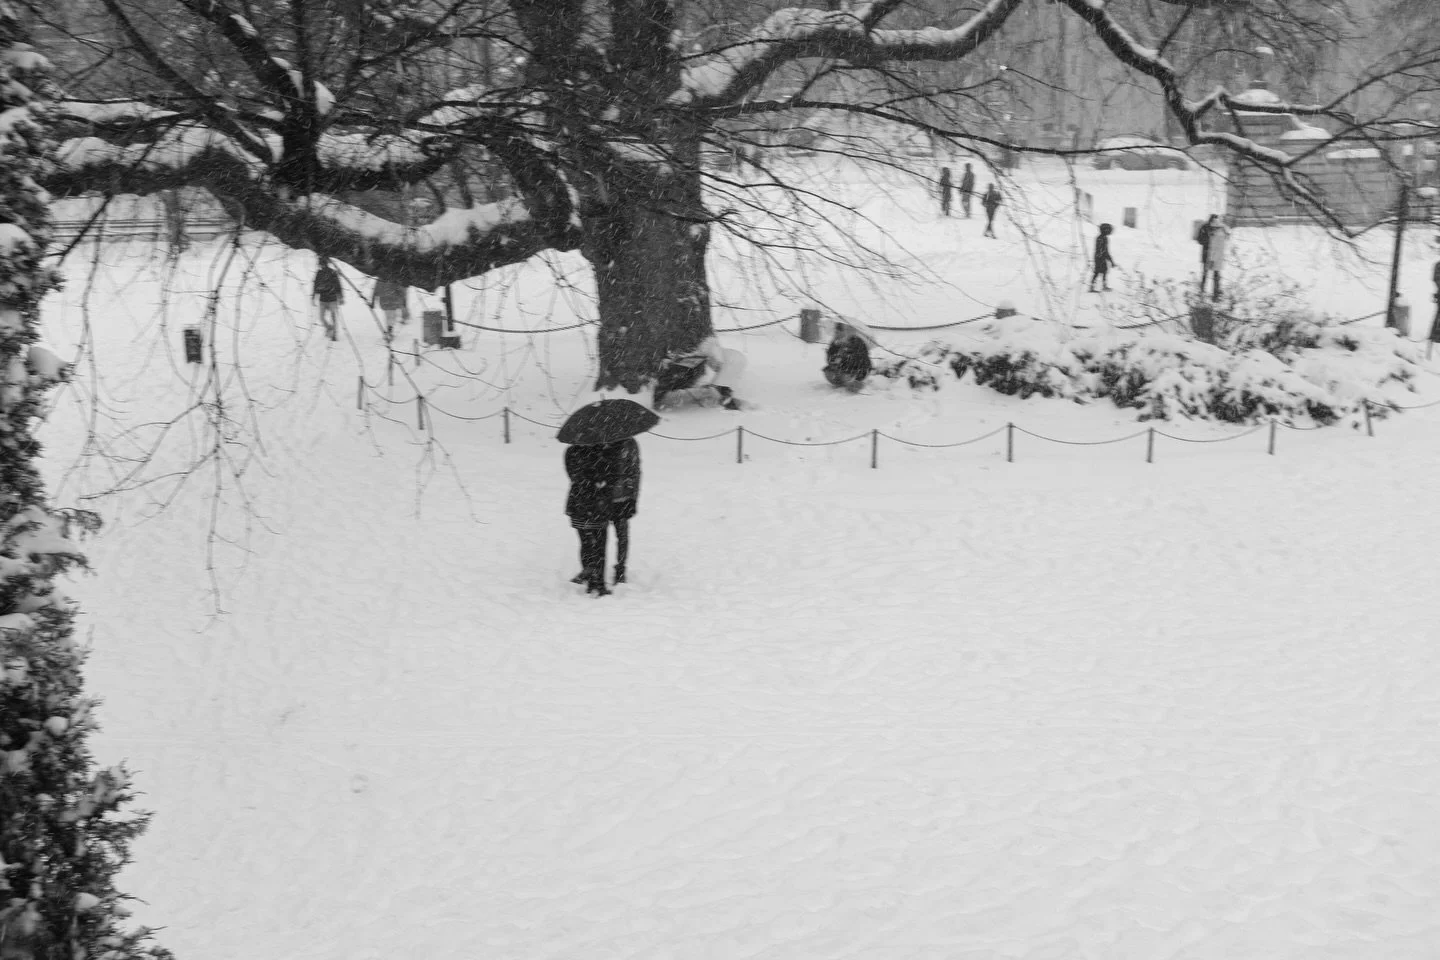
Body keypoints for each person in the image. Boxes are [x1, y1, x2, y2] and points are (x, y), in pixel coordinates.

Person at [565, 438, 641, 596]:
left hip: (614, 500)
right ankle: (594, 577)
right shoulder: (596, 448)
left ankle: (616, 571)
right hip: (598, 502)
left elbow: (633, 472)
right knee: (596, 543)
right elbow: (605, 474)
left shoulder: (627, 445)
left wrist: (632, 497)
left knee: (611, 538)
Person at [653, 335, 742, 410]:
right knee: (709, 392)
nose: (716, 365)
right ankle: (724, 403)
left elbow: (685, 381)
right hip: (663, 399)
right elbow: (679, 380)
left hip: (663, 395)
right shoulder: (695, 362)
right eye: (715, 360)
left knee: (707, 391)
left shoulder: (695, 360)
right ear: (711, 356)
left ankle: (722, 402)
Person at [823, 322, 871, 391]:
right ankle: (842, 382)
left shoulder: (857, 341)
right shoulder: (835, 342)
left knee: (846, 374)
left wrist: (844, 357)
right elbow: (829, 359)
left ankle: (855, 382)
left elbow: (861, 359)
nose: (836, 334)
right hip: (843, 368)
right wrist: (833, 358)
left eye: (839, 332)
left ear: (845, 332)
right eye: (836, 332)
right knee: (828, 371)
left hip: (859, 369)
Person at [1197, 214, 1228, 300]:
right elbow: (1200, 240)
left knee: (1216, 275)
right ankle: (1202, 293)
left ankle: (1216, 294)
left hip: (1216, 256)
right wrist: (1209, 240)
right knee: (1205, 275)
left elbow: (1226, 236)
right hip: (1207, 255)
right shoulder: (1205, 227)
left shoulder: (1220, 228)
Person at [313, 258, 343, 340]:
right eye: (320, 264)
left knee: (333, 316)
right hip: (322, 299)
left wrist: (340, 296)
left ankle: (334, 335)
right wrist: (313, 296)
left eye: (323, 264)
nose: (322, 266)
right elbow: (315, 285)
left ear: (326, 264)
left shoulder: (332, 272)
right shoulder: (319, 273)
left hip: (332, 299)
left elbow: (338, 285)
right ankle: (329, 328)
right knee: (321, 318)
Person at [1088, 223, 1116, 292]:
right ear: (1105, 230)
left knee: (1104, 271)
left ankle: (1104, 285)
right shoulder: (1100, 238)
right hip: (1099, 258)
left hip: (1102, 257)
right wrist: (1106, 258)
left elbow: (1106, 251)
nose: (1110, 231)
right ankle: (1092, 287)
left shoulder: (1105, 238)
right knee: (1097, 272)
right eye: (1109, 230)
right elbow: (1101, 250)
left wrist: (1110, 260)